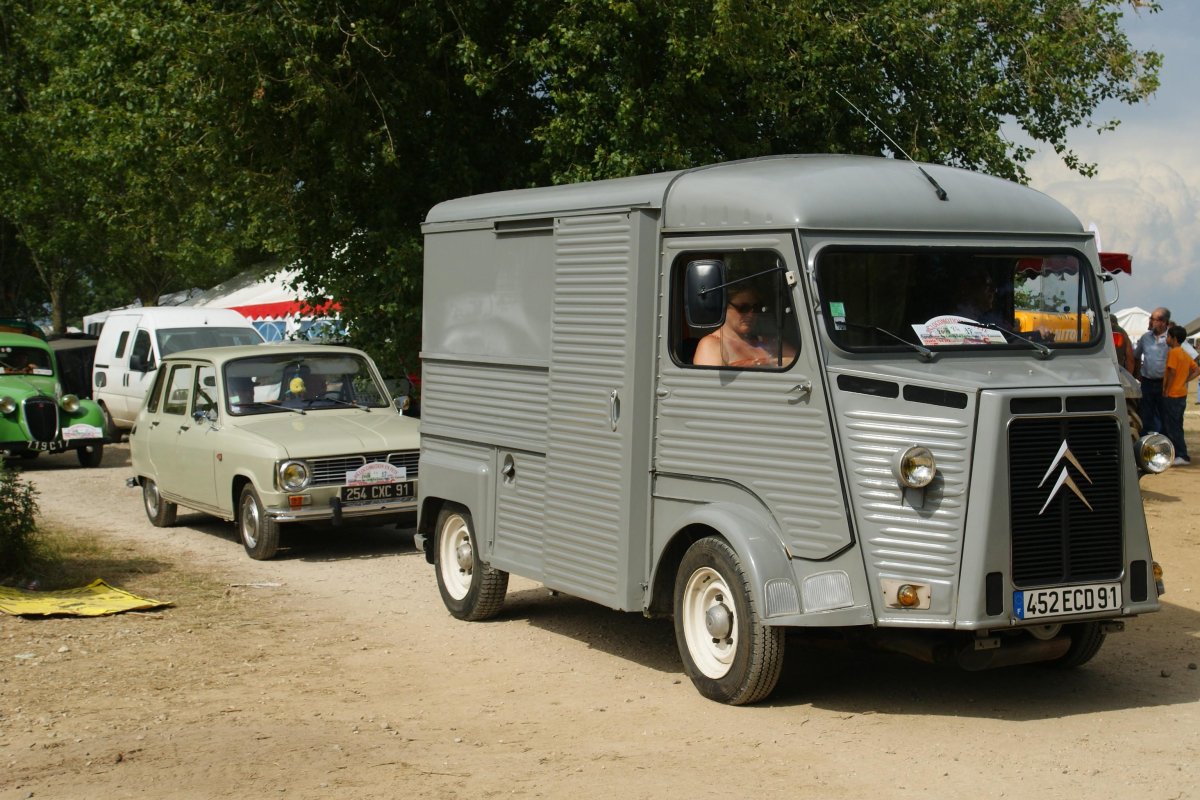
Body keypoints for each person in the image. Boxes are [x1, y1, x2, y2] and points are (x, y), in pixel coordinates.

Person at [693, 287, 793, 367]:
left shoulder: (766, 342)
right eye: (744, 308)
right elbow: (711, 389)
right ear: (724, 307)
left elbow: (799, 363)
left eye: (756, 308)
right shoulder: (712, 345)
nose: (751, 314)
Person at [1162, 324, 1198, 466]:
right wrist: (1185, 380)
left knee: (1173, 426)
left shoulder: (1174, 352)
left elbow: (1171, 372)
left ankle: (1181, 454)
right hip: (1181, 393)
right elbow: (1197, 369)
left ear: (1174, 338)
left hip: (1173, 394)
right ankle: (1180, 453)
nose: (1167, 339)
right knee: (1177, 424)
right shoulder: (1183, 353)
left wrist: (1166, 389)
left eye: (1168, 336)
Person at [1133, 306, 1171, 434]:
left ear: (1163, 322)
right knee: (1146, 414)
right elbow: (1136, 356)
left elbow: (1192, 357)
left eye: (1153, 319)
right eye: (1151, 318)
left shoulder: (1172, 338)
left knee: (1164, 414)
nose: (1150, 321)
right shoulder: (1145, 338)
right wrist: (1138, 374)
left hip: (1164, 384)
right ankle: (1147, 444)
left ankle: (1165, 444)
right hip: (1147, 382)